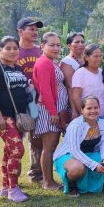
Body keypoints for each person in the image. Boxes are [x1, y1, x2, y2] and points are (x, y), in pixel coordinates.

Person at [0, 37, 31, 203]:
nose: (12, 51)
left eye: (15, 48)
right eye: (8, 48)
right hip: (4, 115)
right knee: (17, 149)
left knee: (9, 151)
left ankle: (5, 187)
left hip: (18, 117)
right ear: (0, 50)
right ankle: (13, 189)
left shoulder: (18, 68)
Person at [53, 96, 104, 196]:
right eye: (89, 108)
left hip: (90, 153)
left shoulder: (103, 122)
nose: (93, 111)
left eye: (96, 108)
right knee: (78, 167)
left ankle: (93, 182)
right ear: (82, 110)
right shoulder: (76, 125)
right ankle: (71, 184)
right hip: (69, 155)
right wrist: (94, 165)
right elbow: (74, 151)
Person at [33, 32, 68, 190]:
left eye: (58, 45)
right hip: (49, 111)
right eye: (51, 45)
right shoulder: (43, 63)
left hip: (56, 110)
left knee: (52, 146)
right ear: (42, 46)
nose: (55, 48)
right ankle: (48, 182)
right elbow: (45, 90)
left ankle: (50, 180)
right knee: (49, 147)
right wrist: (53, 112)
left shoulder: (52, 62)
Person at [16, 17, 44, 183]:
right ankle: (13, 177)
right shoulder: (13, 49)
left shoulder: (39, 51)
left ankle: (36, 174)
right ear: (20, 31)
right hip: (17, 102)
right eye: (31, 29)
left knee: (36, 139)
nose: (35, 32)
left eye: (36, 29)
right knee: (16, 141)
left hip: (37, 102)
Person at [72, 44, 104, 119]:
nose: (99, 59)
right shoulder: (80, 73)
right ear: (86, 57)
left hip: (102, 118)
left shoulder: (102, 72)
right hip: (87, 118)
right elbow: (76, 97)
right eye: (96, 56)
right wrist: (84, 115)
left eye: (100, 56)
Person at [60, 32, 86, 116]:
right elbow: (70, 87)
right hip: (75, 103)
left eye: (82, 42)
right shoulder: (67, 62)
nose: (80, 44)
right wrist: (74, 110)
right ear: (69, 45)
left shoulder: (86, 59)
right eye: (77, 42)